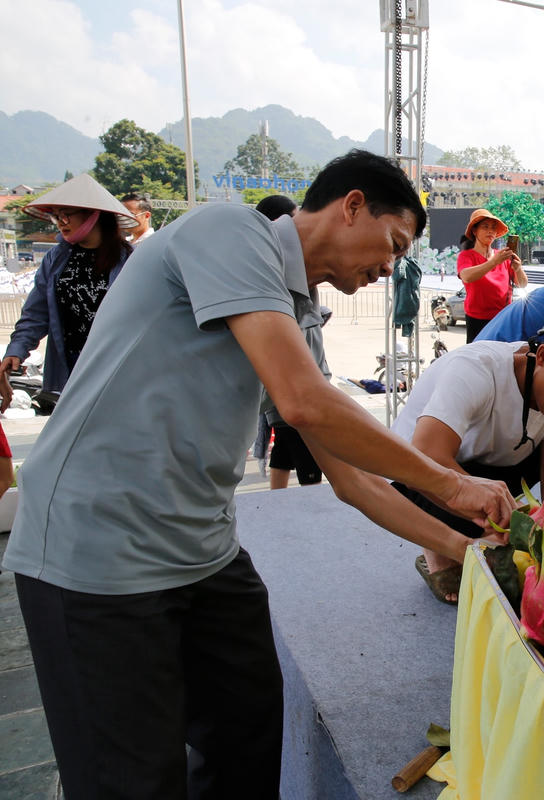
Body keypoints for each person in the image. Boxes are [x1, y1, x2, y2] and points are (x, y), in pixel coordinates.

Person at [2, 150, 516, 797]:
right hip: (96, 551)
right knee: (130, 779)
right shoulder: (228, 232)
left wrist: (465, 551)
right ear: (350, 205)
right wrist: (451, 483)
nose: (391, 266)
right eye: (392, 243)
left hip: (202, 552)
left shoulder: (294, 314)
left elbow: (353, 480)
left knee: (249, 734)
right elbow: (304, 401)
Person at [392, 307, 544, 602]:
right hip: (421, 474)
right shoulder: (476, 369)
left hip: (496, 464)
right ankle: (436, 550)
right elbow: (425, 457)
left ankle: (488, 526)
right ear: (542, 357)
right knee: (485, 527)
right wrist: (502, 517)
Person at [3, 174, 136, 394]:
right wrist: (16, 350)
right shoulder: (55, 259)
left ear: (94, 215)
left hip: (119, 368)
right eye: (56, 217)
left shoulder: (130, 260)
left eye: (66, 216)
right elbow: (36, 314)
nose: (60, 223)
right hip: (70, 368)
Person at [248, 194, 323, 491]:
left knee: (284, 450)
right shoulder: (273, 278)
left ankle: (276, 500)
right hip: (296, 392)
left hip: (296, 389)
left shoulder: (299, 273)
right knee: (307, 454)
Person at [457, 208, 527, 342]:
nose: (491, 231)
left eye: (493, 228)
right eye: (485, 227)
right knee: (478, 359)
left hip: (503, 318)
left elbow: (522, 284)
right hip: (477, 320)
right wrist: (494, 262)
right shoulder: (467, 256)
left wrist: (518, 269)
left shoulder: (503, 257)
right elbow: (466, 276)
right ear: (474, 231)